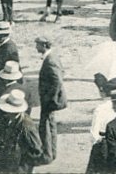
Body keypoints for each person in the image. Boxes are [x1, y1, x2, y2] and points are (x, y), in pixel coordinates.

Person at [0, 90, 45, 173]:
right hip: (9, 160)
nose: (5, 113)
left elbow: (37, 149)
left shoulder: (26, 125)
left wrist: (25, 166)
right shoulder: (13, 119)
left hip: (19, 167)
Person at [36, 35, 67, 164]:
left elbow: (57, 81)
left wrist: (50, 98)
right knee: (50, 126)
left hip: (49, 100)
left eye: (37, 44)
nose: (36, 47)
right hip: (50, 99)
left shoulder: (50, 60)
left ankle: (47, 156)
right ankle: (51, 153)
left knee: (45, 128)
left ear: (44, 45)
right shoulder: (52, 56)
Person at [86, 75, 116, 173]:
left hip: (104, 145)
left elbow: (94, 133)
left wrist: (96, 144)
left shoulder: (100, 109)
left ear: (102, 91)